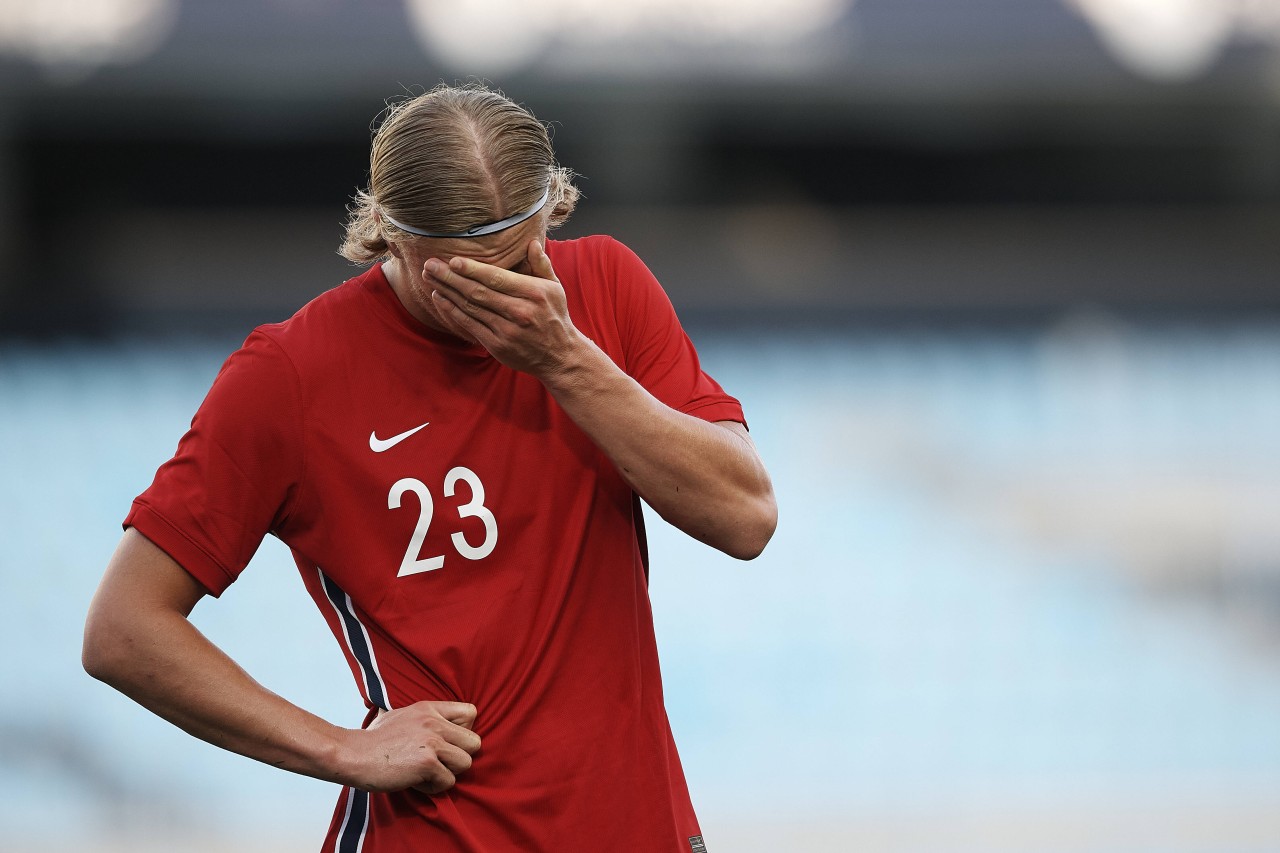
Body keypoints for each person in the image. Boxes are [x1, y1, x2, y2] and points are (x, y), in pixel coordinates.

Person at [82, 83, 776, 852]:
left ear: (551, 213)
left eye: (517, 262)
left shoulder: (607, 288)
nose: (503, 298)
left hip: (641, 829)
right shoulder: (292, 373)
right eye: (461, 279)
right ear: (390, 232)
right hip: (441, 833)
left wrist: (566, 362)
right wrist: (338, 747)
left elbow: (745, 519)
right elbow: (122, 628)